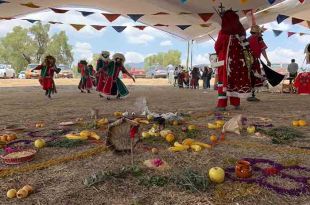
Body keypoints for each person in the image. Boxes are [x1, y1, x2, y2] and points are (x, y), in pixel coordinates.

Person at [214, 9, 252, 110]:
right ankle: (236, 104)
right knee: (235, 80)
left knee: (223, 81)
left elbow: (217, 46)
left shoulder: (222, 32)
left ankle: (222, 105)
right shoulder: (240, 32)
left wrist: (220, 53)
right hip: (238, 61)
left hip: (225, 61)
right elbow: (246, 46)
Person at [247, 25, 270, 101]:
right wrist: (267, 60)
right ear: (257, 32)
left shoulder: (247, 39)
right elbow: (263, 50)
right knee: (254, 77)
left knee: (249, 77)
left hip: (246, 61)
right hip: (255, 60)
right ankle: (252, 95)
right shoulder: (259, 39)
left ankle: (250, 94)